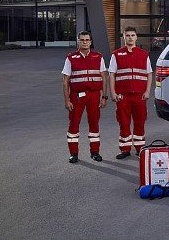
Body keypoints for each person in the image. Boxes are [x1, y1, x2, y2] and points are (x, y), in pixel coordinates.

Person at [61, 31, 108, 163]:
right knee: (74, 124)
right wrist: (67, 100)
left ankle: (95, 152)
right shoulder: (71, 58)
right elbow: (65, 80)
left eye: (87, 40)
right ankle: (74, 154)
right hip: (76, 96)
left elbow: (104, 77)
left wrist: (104, 96)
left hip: (94, 95)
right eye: (82, 40)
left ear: (90, 41)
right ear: (78, 41)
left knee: (94, 123)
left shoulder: (98, 57)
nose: (85, 42)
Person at [109, 26, 153, 159]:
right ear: (123, 37)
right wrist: (113, 93)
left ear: (136, 37)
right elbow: (112, 74)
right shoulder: (116, 54)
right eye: (127, 35)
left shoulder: (143, 54)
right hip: (123, 96)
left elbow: (149, 74)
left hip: (140, 95)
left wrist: (147, 91)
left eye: (132, 35)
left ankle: (140, 149)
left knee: (140, 122)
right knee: (124, 122)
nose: (130, 37)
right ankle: (125, 149)